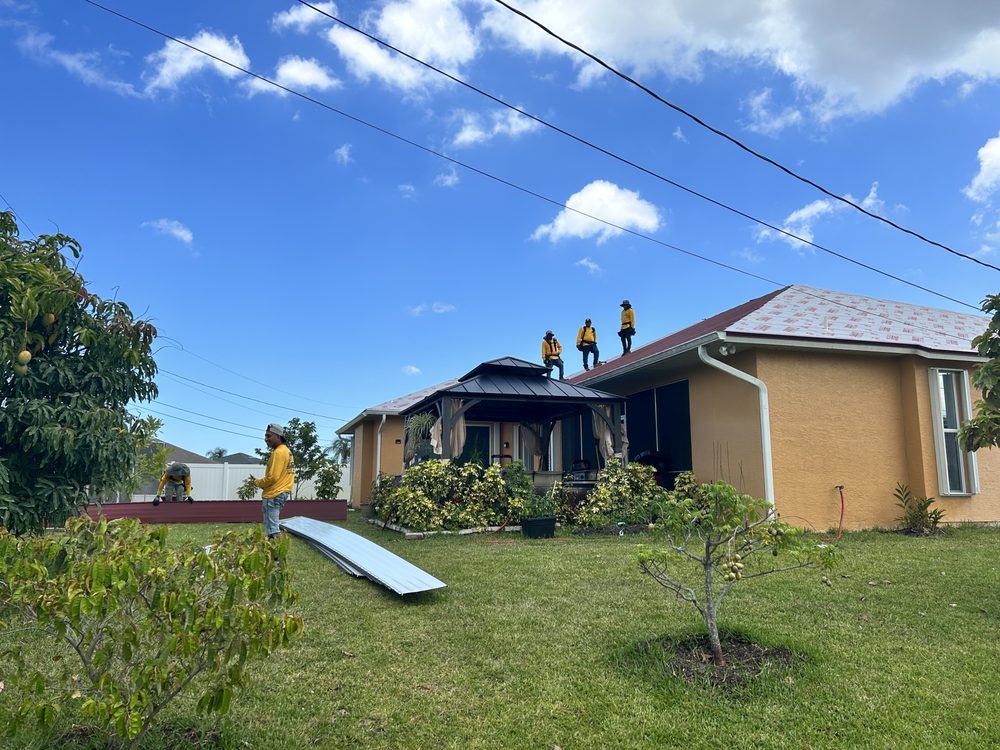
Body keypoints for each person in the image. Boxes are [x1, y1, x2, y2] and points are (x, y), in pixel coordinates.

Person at [256, 423, 296, 539]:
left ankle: (278, 555)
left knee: (272, 529)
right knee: (272, 526)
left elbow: (272, 477)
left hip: (273, 494)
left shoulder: (278, 452)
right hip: (282, 492)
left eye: (269, 436)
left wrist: (258, 483)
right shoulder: (287, 451)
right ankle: (273, 554)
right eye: (265, 436)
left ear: (278, 436)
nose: (266, 439)